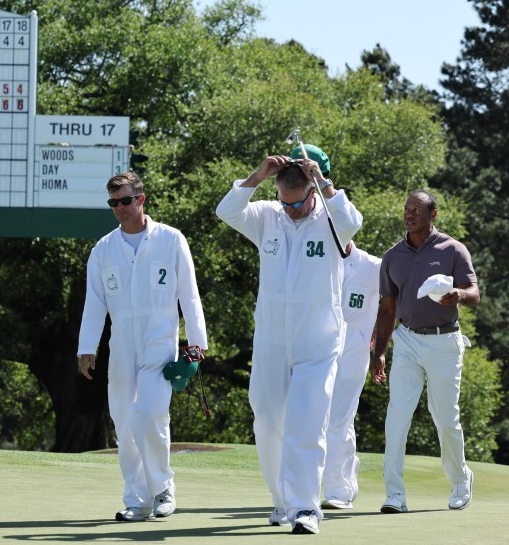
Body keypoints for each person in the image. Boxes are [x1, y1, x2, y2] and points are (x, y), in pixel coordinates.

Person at [215, 145, 362, 535]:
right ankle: (281, 501)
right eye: (285, 202)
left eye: (297, 204)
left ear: (312, 190)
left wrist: (326, 184)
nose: (290, 210)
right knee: (266, 416)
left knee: (307, 423)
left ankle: (305, 509)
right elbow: (226, 211)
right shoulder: (268, 216)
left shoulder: (332, 218)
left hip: (318, 340)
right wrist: (257, 177)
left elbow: (353, 222)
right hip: (272, 340)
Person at [77, 171, 208, 522]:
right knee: (123, 418)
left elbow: (189, 295)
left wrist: (197, 344)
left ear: (141, 199)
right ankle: (137, 499)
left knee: (149, 414)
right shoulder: (103, 249)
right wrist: (86, 346)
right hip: (121, 344)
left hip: (160, 342)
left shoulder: (171, 239)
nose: (119, 208)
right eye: (113, 203)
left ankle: (163, 489)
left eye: (125, 200)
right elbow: (94, 302)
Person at [370, 189, 480, 514]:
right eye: (407, 209)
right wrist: (379, 351)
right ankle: (395, 495)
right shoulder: (392, 257)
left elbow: (475, 293)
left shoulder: (453, 249)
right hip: (406, 340)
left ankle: (461, 479)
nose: (410, 214)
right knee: (396, 418)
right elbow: (387, 308)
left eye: (417, 210)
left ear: (432, 215)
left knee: (445, 418)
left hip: (445, 341)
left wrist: (459, 294)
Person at [320, 240, 381, 510]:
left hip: (354, 351)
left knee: (339, 418)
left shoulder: (373, 266)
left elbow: (397, 298)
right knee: (315, 417)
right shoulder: (316, 258)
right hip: (317, 349)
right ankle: (344, 469)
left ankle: (339, 489)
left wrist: (382, 330)